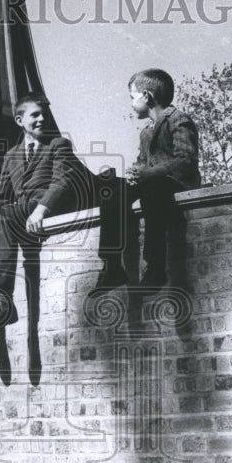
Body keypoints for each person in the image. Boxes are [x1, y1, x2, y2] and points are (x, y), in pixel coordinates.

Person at [0, 93, 82, 339]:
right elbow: (0, 195)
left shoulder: (58, 145)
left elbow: (62, 181)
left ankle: (4, 302)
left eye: (44, 113)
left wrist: (41, 210)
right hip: (16, 209)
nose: (42, 119)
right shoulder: (11, 155)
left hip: (39, 206)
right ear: (20, 120)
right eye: (35, 115)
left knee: (3, 220)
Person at [93, 68, 200, 294]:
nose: (131, 103)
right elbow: (143, 162)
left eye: (133, 97)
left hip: (174, 183)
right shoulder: (145, 132)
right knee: (113, 191)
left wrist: (148, 174)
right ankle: (112, 265)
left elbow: (186, 161)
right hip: (152, 182)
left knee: (153, 189)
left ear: (147, 97)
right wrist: (135, 173)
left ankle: (155, 267)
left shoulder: (178, 119)